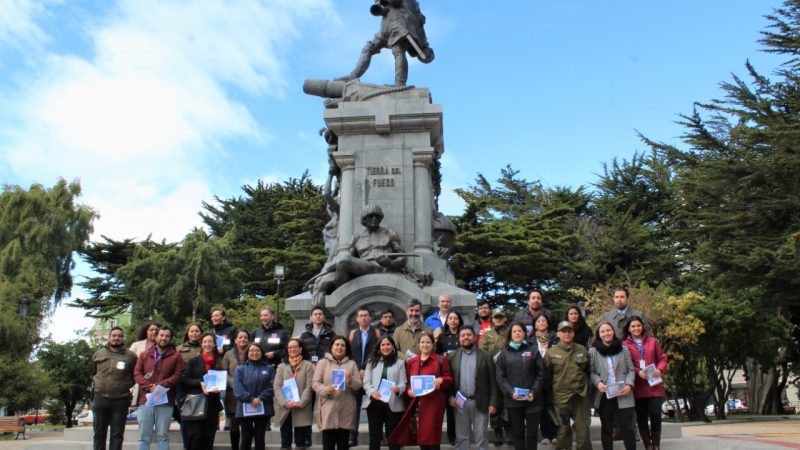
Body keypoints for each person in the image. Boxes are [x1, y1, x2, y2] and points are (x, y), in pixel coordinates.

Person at [312, 205, 407, 305]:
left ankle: (339, 294)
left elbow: (403, 258)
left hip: (383, 267)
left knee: (343, 261)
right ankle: (340, 293)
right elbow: (349, 258)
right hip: (365, 267)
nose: (374, 218)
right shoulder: (357, 237)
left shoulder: (390, 234)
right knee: (343, 262)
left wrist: (389, 262)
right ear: (364, 219)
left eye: (377, 216)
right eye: (371, 216)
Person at [336, 0, 434, 86]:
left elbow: (396, 2)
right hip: (386, 26)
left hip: (398, 24)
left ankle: (400, 83)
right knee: (368, 48)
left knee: (398, 50)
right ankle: (353, 76)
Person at [389, 331, 453, 450]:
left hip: (434, 403)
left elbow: (449, 379)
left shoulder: (440, 359)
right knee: (422, 437)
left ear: (433, 344)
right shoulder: (412, 362)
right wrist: (408, 391)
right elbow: (407, 381)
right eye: (422, 342)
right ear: (419, 344)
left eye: (428, 342)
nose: (425, 344)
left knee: (433, 437)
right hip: (417, 404)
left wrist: (441, 380)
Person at [134, 326, 185, 450]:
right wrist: (148, 386)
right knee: (144, 436)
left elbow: (178, 375)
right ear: (156, 337)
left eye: (167, 336)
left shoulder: (176, 356)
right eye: (161, 335)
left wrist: (160, 385)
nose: (164, 338)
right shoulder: (144, 355)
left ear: (170, 339)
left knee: (162, 435)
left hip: (165, 400)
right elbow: (137, 373)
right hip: (146, 400)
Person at [495, 322, 544, 450]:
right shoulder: (504, 354)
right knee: (518, 433)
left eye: (520, 331)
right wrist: (511, 393)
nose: (517, 333)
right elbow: (500, 377)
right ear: (510, 334)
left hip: (532, 400)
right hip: (513, 401)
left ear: (524, 333)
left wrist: (534, 392)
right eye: (514, 331)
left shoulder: (533, 350)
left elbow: (541, 374)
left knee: (532, 434)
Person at [448, 327, 498, 450]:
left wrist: (493, 402)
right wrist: (450, 397)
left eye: (468, 335)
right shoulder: (452, 356)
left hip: (480, 401)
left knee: (481, 435)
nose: (466, 337)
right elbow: (449, 380)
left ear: (474, 337)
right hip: (460, 402)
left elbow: (493, 381)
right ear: (459, 339)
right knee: (462, 436)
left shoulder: (486, 356)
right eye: (463, 335)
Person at [543, 321, 591, 450]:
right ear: (558, 334)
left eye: (569, 331)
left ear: (573, 333)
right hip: (561, 398)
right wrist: (549, 400)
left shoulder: (582, 350)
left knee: (583, 430)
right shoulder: (550, 353)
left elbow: (588, 372)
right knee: (563, 430)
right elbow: (547, 379)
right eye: (563, 331)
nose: (567, 334)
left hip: (581, 396)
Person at [622, 316, 668, 450]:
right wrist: (637, 371)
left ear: (642, 326)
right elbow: (625, 364)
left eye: (638, 325)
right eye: (633, 326)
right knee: (641, 416)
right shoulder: (624, 345)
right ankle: (648, 444)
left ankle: (656, 444)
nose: (636, 328)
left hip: (655, 385)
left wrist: (660, 369)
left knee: (655, 413)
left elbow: (663, 358)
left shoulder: (653, 341)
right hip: (638, 387)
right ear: (629, 329)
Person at [589, 322, 636, 450]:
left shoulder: (624, 349)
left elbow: (631, 369)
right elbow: (591, 372)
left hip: (624, 393)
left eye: (608, 330)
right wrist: (598, 382)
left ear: (613, 331)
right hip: (605, 394)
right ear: (598, 335)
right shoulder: (593, 351)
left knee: (628, 428)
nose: (606, 333)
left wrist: (629, 384)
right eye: (602, 331)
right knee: (607, 428)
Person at [312, 335, 363, 450]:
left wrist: (351, 380)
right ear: (331, 347)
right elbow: (315, 383)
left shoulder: (351, 364)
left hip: (346, 409)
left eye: (343, 345)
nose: (339, 347)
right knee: (328, 445)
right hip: (328, 408)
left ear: (346, 349)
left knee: (343, 445)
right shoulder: (322, 363)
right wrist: (325, 390)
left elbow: (358, 385)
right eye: (337, 345)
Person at [91, 327, 137, 450]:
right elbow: (93, 372)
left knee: (117, 434)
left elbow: (135, 376)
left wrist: (124, 386)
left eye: (119, 336)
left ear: (123, 338)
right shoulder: (98, 354)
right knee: (99, 433)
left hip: (121, 400)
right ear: (109, 337)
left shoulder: (131, 356)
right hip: (100, 398)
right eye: (114, 335)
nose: (116, 338)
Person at [182, 332, 224, 450]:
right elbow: (184, 379)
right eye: (204, 342)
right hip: (196, 403)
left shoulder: (219, 362)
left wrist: (219, 388)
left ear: (214, 344)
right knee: (195, 438)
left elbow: (223, 380)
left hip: (213, 404)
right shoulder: (194, 361)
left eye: (210, 341)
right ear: (201, 344)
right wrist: (199, 383)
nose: (207, 344)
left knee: (208, 439)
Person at [363, 336, 406, 450]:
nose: (385, 347)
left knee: (392, 437)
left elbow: (403, 383)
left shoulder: (400, 363)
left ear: (393, 347)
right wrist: (372, 392)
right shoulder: (371, 362)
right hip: (375, 402)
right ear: (379, 347)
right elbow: (366, 382)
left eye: (388, 344)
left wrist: (398, 388)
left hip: (393, 403)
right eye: (383, 345)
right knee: (374, 436)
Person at [347, 307, 381, 446]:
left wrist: (366, 368)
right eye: (361, 316)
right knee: (354, 406)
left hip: (371, 374)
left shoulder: (377, 333)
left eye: (366, 315)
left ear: (370, 318)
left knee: (375, 406)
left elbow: (378, 352)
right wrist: (357, 370)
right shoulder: (352, 334)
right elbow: (350, 355)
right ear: (357, 318)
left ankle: (378, 435)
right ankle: (352, 435)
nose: (363, 318)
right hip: (355, 375)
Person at [478, 308, 511, 446]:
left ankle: (509, 430)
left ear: (505, 318)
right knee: (495, 401)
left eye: (500, 317)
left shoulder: (510, 332)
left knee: (508, 402)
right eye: (495, 317)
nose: (498, 319)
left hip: (509, 372)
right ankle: (497, 430)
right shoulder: (487, 335)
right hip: (493, 371)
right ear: (492, 319)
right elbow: (482, 352)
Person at [274, 338, 314, 450]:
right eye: (290, 347)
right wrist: (285, 403)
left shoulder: (308, 365)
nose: (292, 349)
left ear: (300, 349)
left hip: (302, 407)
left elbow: (309, 386)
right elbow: (277, 387)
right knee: (285, 440)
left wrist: (301, 403)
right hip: (285, 407)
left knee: (300, 442)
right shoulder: (281, 366)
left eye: (295, 346)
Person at [234, 343, 275, 450]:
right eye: (251, 350)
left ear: (262, 353)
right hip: (244, 408)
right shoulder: (240, 369)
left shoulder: (269, 368)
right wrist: (251, 399)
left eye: (257, 350)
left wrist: (260, 398)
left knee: (259, 438)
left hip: (263, 407)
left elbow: (272, 386)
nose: (254, 353)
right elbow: (238, 388)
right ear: (247, 353)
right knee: (246, 438)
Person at [434, 311, 462, 445]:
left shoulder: (464, 334)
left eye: (455, 318)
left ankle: (463, 434)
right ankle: (452, 436)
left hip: (462, 372)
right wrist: (443, 357)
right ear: (447, 321)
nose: (453, 320)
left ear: (459, 321)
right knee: (450, 407)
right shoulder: (442, 336)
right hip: (447, 372)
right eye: (450, 318)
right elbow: (437, 354)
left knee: (461, 406)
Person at [530, 314, 558, 446]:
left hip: (553, 378)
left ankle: (554, 433)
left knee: (551, 406)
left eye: (544, 321)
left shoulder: (555, 338)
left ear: (547, 324)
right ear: (535, 324)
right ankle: (546, 434)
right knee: (540, 407)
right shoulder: (529, 340)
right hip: (537, 378)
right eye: (538, 321)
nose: (541, 323)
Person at [176, 323, 203, 448]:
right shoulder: (179, 349)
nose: (194, 333)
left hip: (200, 387)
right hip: (183, 387)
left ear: (201, 333)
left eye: (197, 331)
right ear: (187, 333)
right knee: (186, 418)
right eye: (191, 331)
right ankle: (187, 445)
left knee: (199, 418)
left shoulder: (205, 347)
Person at [222, 330, 250, 450]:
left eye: (245, 337)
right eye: (240, 337)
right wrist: (234, 383)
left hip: (249, 392)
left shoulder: (253, 351)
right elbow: (224, 372)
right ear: (235, 340)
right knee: (234, 424)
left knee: (246, 425)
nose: (242, 339)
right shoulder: (228, 354)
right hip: (232, 392)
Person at [129, 322, 160, 408]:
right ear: (146, 332)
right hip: (139, 382)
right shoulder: (136, 345)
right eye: (151, 330)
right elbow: (128, 362)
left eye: (156, 330)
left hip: (157, 383)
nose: (154, 332)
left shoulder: (164, 346)